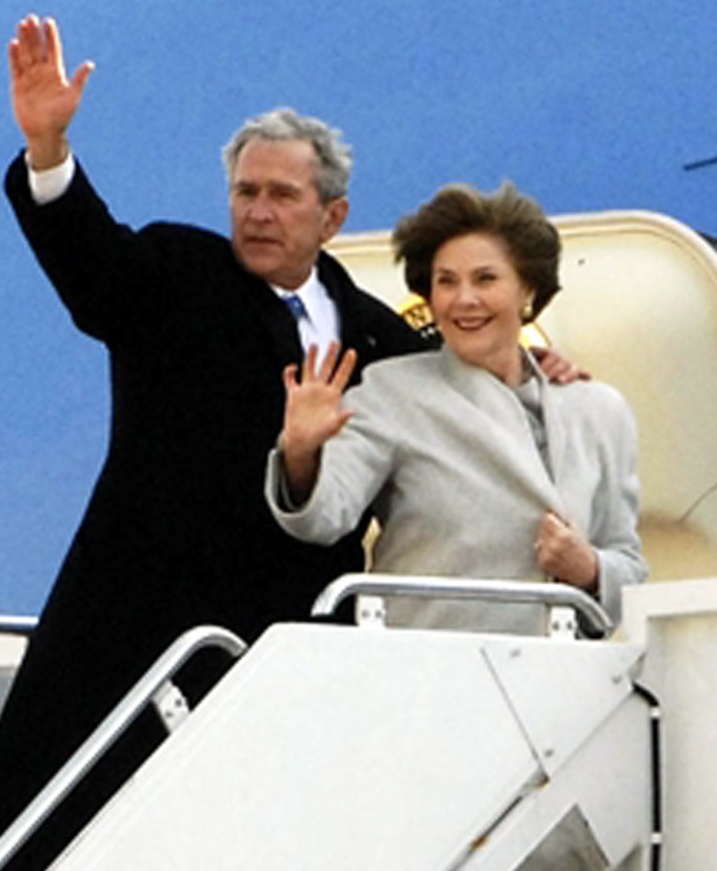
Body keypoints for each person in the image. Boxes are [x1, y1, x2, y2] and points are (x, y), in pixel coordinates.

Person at [0, 15, 430, 871]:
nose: (258, 211)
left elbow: (456, 422)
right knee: (82, 850)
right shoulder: (178, 274)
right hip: (143, 622)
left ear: (332, 215)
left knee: (269, 869)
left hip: (294, 644)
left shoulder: (383, 339)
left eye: (282, 196)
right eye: (245, 191)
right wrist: (48, 150)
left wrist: (542, 369)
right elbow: (94, 268)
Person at [268, 182, 646, 634]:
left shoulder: (600, 410)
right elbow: (325, 517)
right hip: (429, 678)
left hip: (564, 683)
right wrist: (300, 453)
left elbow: (629, 567)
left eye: (485, 279)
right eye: (446, 281)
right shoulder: (391, 391)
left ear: (528, 288)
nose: (463, 299)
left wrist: (589, 570)